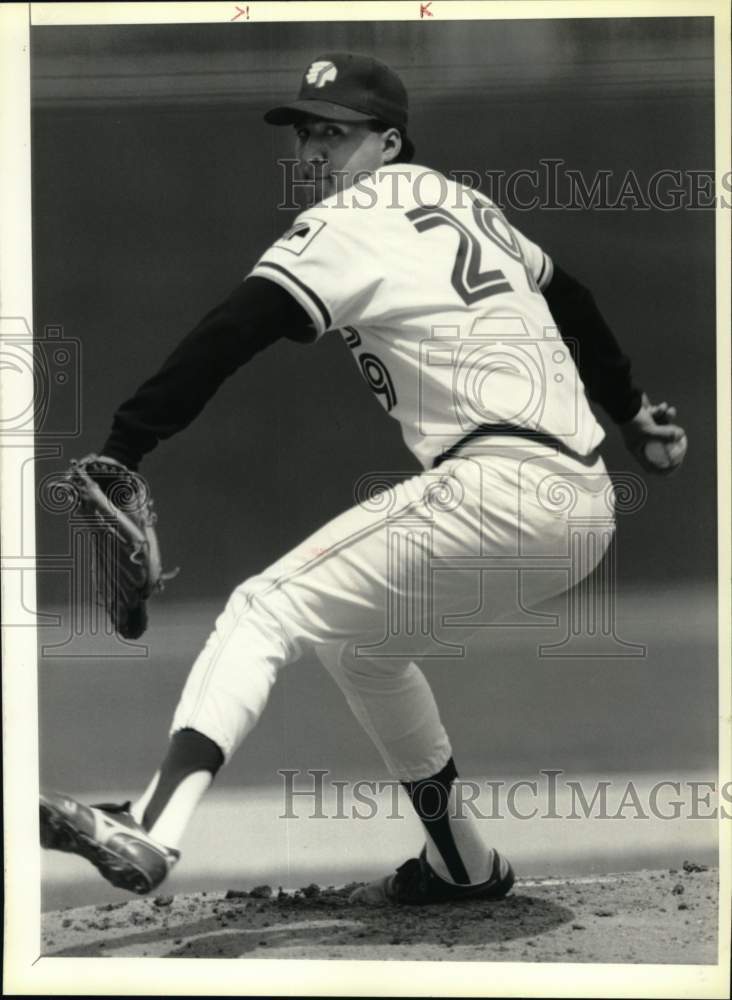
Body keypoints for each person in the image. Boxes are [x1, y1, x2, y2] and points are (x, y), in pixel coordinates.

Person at [40, 52, 686, 906]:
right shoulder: (467, 203)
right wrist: (632, 409)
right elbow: (573, 296)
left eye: (335, 134)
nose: (313, 152)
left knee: (265, 605)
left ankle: (152, 825)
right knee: (367, 651)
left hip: (496, 490)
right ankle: (463, 862)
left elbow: (234, 329)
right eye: (305, 132)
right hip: (584, 505)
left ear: (389, 141)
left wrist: (128, 443)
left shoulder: (353, 220)